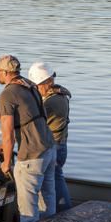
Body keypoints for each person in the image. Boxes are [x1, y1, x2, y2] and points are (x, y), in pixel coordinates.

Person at [0, 54, 56, 222]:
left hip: (32, 155)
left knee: (27, 205)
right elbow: (30, 115)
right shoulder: (30, 85)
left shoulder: (7, 94)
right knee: (48, 196)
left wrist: (5, 163)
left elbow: (8, 134)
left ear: (5, 72)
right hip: (49, 148)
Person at [27, 62, 72, 212]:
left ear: (46, 82)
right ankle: (64, 211)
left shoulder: (52, 101)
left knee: (51, 181)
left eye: (37, 86)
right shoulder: (59, 95)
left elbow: (32, 117)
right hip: (60, 145)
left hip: (55, 146)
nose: (35, 89)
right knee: (57, 177)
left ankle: (60, 212)